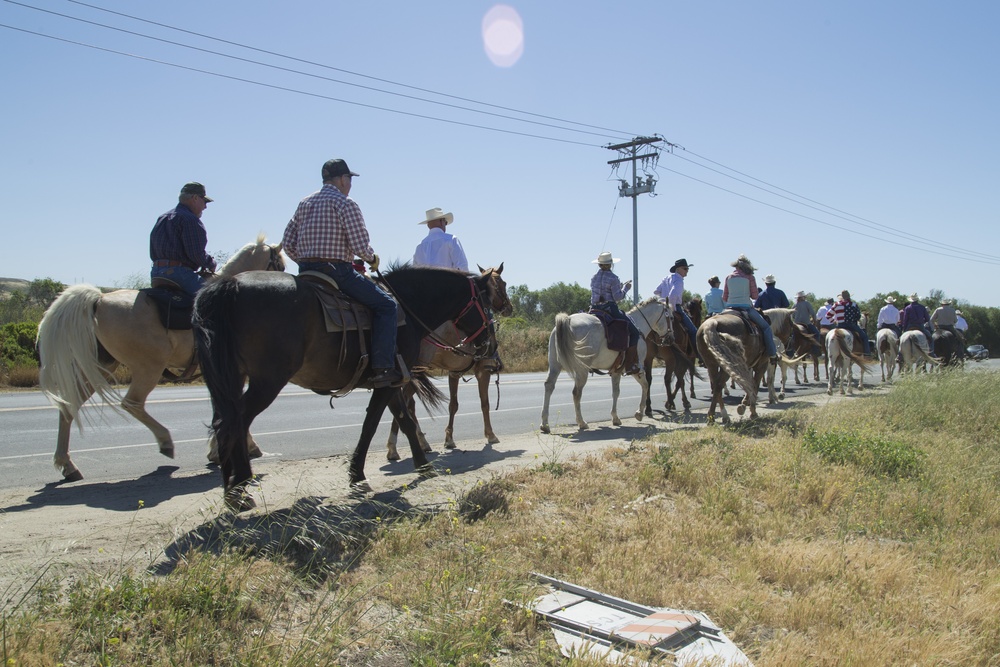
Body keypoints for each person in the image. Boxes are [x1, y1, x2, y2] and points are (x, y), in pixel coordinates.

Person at [281, 158, 403, 388]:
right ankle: (383, 367)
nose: (349, 184)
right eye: (349, 179)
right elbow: (359, 245)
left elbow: (288, 243)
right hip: (338, 272)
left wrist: (306, 261)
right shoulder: (346, 203)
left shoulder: (304, 203)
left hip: (306, 272)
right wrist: (372, 258)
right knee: (387, 306)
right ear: (341, 179)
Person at [149, 182, 218, 297]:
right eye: (204, 201)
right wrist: (211, 263)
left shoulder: (162, 218)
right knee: (216, 298)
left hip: (156, 272)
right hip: (179, 274)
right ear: (195, 198)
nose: (205, 207)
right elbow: (196, 254)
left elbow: (152, 251)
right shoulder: (190, 219)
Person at [722, 254, 778, 365]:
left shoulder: (728, 277)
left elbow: (724, 297)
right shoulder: (749, 277)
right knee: (766, 327)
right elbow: (755, 296)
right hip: (745, 308)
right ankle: (772, 354)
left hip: (729, 308)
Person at [590, 251, 640, 374]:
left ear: (599, 265)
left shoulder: (594, 278)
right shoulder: (613, 278)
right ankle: (629, 365)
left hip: (594, 309)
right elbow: (617, 297)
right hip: (609, 309)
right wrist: (626, 288)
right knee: (634, 333)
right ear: (610, 264)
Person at [654, 258, 702, 362]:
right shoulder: (679, 279)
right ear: (678, 269)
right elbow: (673, 294)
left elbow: (656, 291)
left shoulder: (666, 278)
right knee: (694, 331)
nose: (686, 271)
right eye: (685, 268)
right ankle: (699, 355)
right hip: (675, 306)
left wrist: (662, 299)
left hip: (661, 307)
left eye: (687, 269)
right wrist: (673, 308)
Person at [412, 207, 469, 272]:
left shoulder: (419, 246)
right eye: (445, 222)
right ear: (442, 222)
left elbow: (415, 271)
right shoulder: (451, 239)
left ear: (428, 225)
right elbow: (462, 267)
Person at [829, 290, 870, 355]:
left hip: (840, 325)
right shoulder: (854, 304)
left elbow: (828, 315)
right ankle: (867, 352)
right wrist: (854, 320)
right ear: (849, 297)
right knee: (864, 337)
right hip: (852, 325)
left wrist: (834, 322)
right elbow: (858, 316)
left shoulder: (836, 305)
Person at [791, 290, 821, 355]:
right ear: (803, 297)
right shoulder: (807, 303)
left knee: (790, 336)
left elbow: (792, 315)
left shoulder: (795, 305)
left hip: (796, 324)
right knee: (817, 334)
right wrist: (814, 321)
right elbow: (812, 313)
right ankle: (815, 350)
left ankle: (790, 350)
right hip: (806, 323)